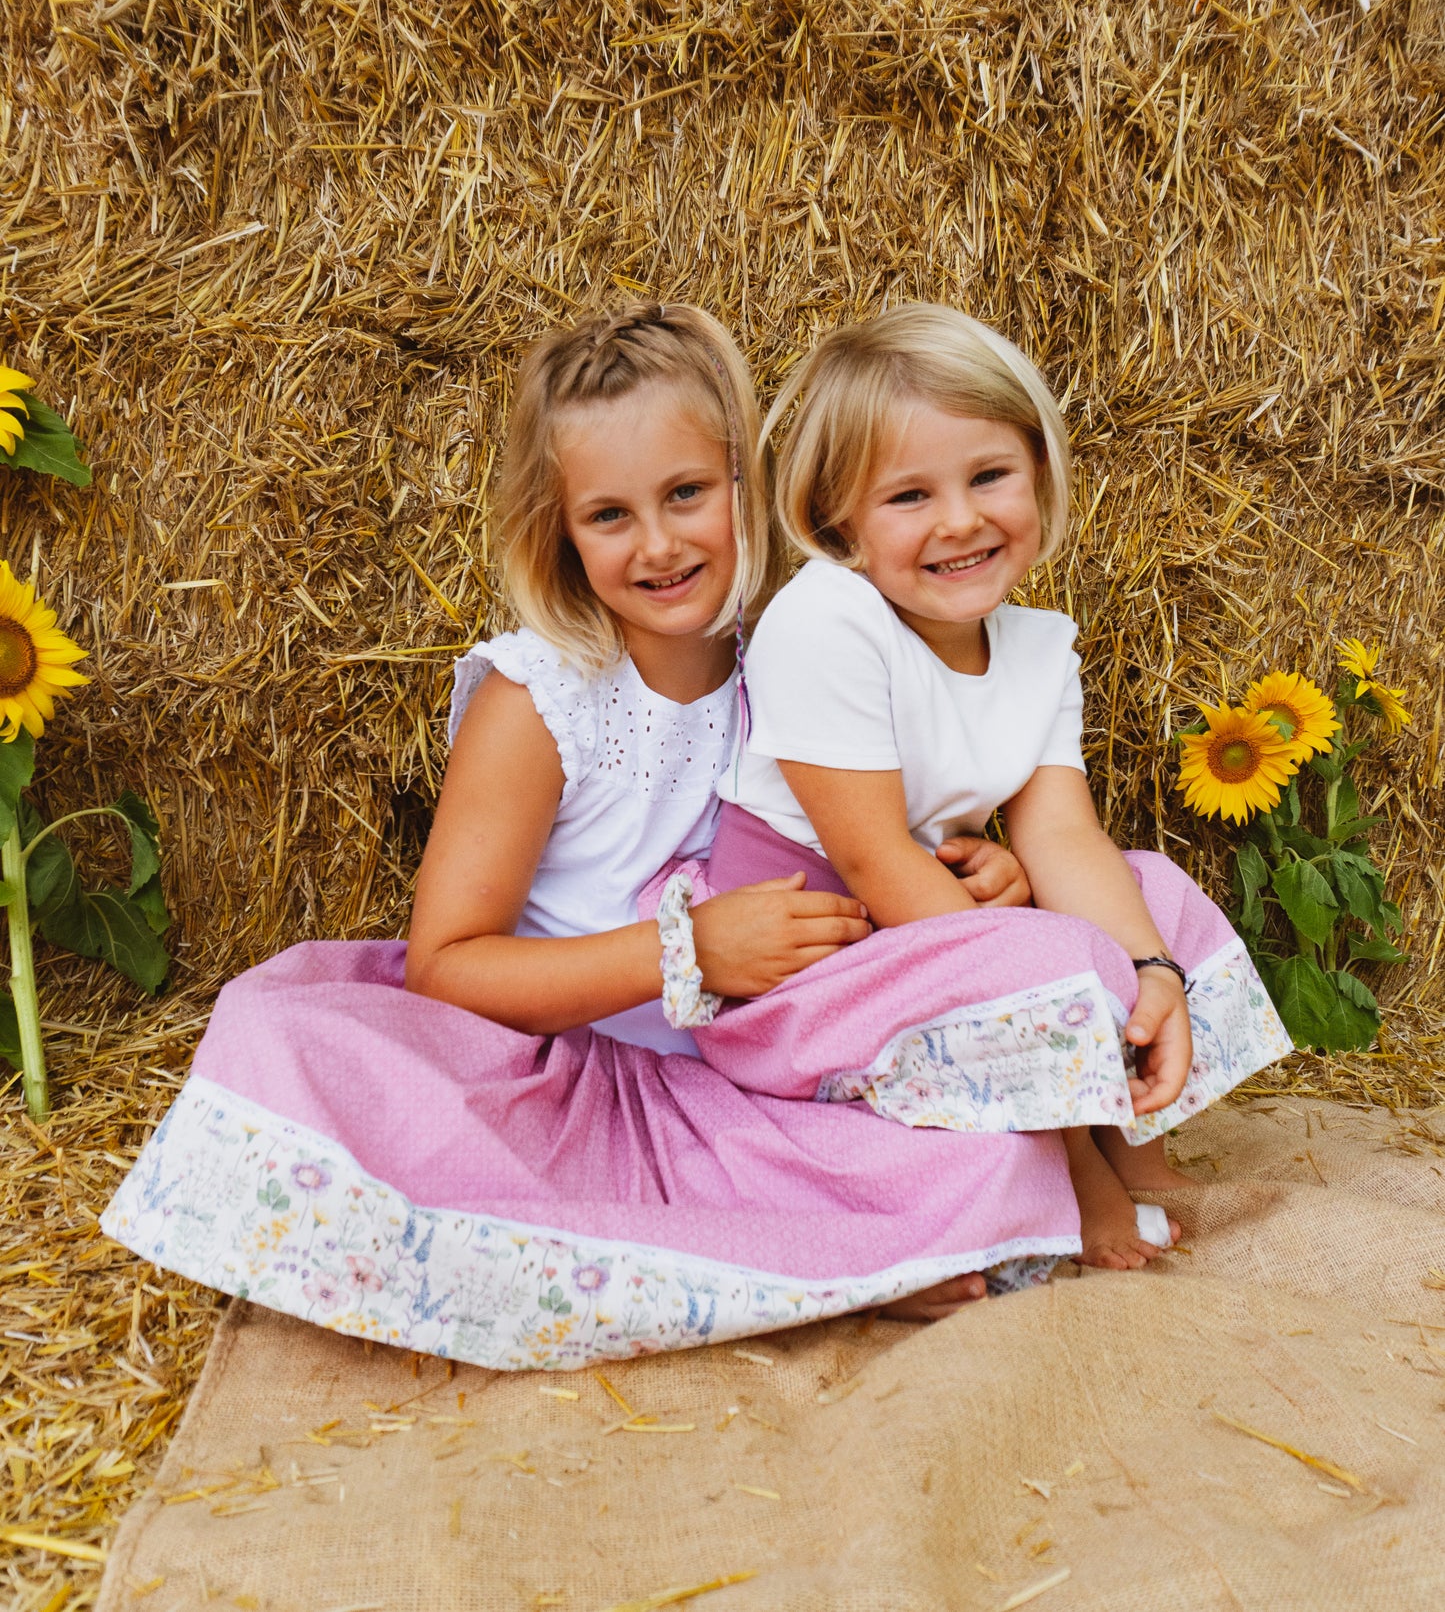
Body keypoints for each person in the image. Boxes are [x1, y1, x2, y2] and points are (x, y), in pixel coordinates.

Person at [102, 301, 1081, 1367]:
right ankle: (822, 1265)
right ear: (558, 531)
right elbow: (442, 966)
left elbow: (872, 836)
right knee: (294, 1050)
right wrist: (686, 953)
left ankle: (824, 1259)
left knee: (995, 1166)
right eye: (609, 516)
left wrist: (986, 863)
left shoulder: (807, 641)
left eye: (687, 495)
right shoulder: (543, 700)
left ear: (750, 489)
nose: (659, 543)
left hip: (759, 1074)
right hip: (576, 1070)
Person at [695, 303, 1293, 1269]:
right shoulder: (827, 619)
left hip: (926, 935)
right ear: (836, 520)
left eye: (988, 476)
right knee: (1043, 955)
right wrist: (1039, 967)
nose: (960, 520)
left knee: (1148, 893)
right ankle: (1078, 1171)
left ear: (1040, 475)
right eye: (908, 498)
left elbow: (1060, 836)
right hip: (811, 970)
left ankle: (1129, 1131)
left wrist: (1152, 975)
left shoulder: (1039, 649)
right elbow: (874, 856)